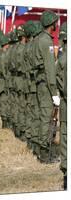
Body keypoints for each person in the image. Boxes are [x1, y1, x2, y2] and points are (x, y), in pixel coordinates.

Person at [33, 10, 59, 163]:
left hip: (40, 82)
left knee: (43, 117)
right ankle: (44, 154)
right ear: (51, 24)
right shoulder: (46, 41)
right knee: (46, 118)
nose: (56, 24)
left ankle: (43, 150)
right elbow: (49, 69)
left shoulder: (39, 39)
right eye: (55, 22)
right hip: (45, 84)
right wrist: (54, 92)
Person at [56, 22, 67, 190]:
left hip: (66, 105)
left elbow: (59, 84)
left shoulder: (62, 60)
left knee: (66, 139)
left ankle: (67, 175)